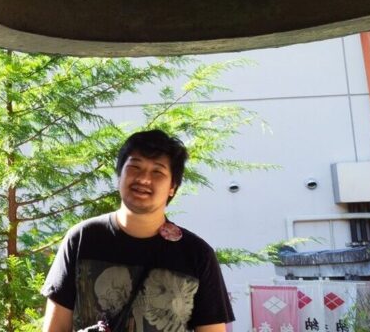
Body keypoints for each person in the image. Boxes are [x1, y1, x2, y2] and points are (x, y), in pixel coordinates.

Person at [41, 129, 234, 332]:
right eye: (134, 167)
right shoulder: (82, 239)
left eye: (157, 172)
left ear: (172, 187)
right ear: (119, 175)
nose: (143, 179)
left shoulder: (197, 254)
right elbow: (55, 327)